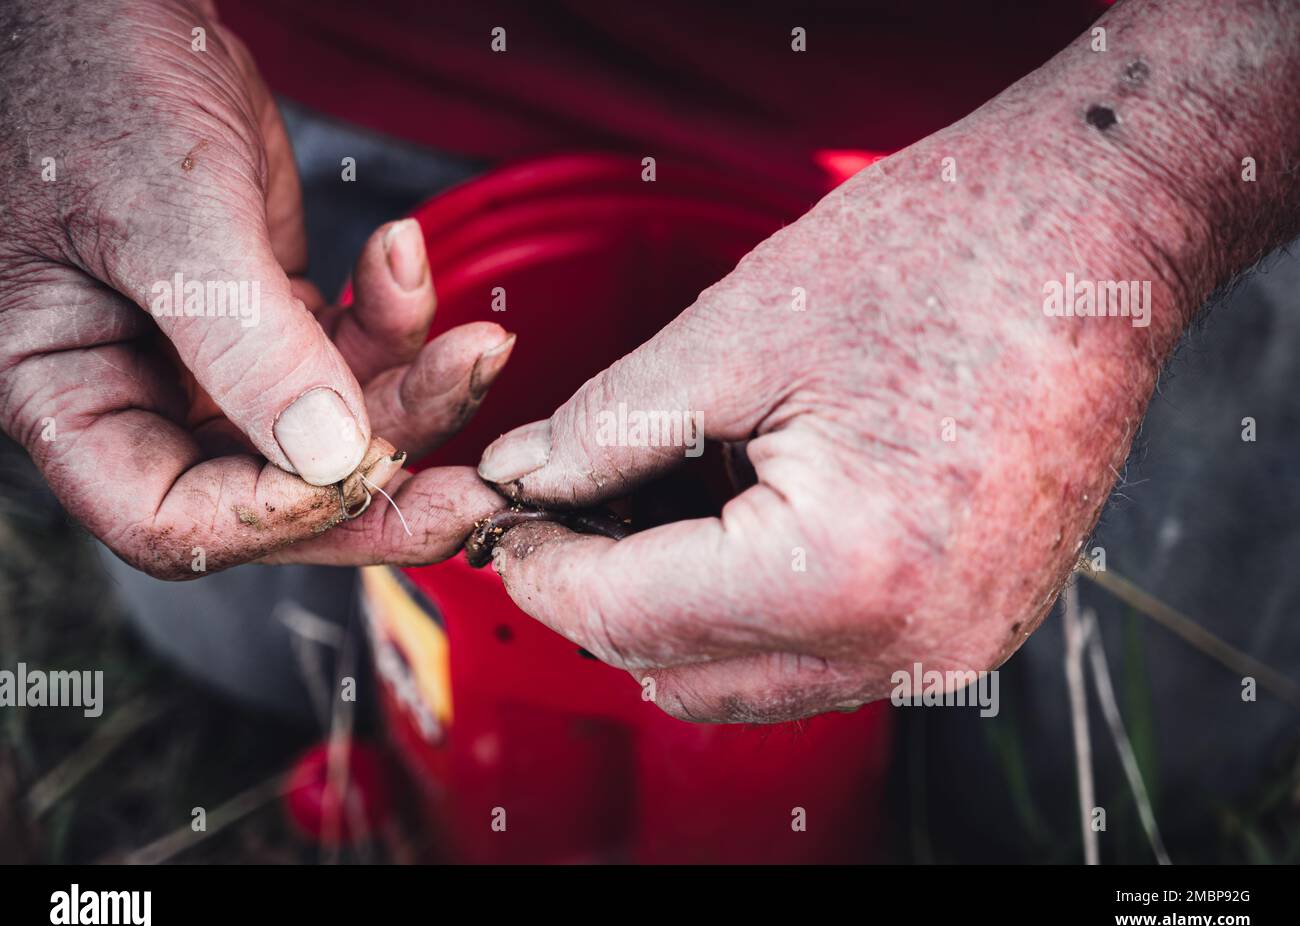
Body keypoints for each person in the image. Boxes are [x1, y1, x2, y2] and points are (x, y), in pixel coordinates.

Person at [1, 0, 1297, 735]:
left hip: (1048, 120)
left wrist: (1140, 192)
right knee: (243, 636)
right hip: (342, 78)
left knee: (1156, 737)